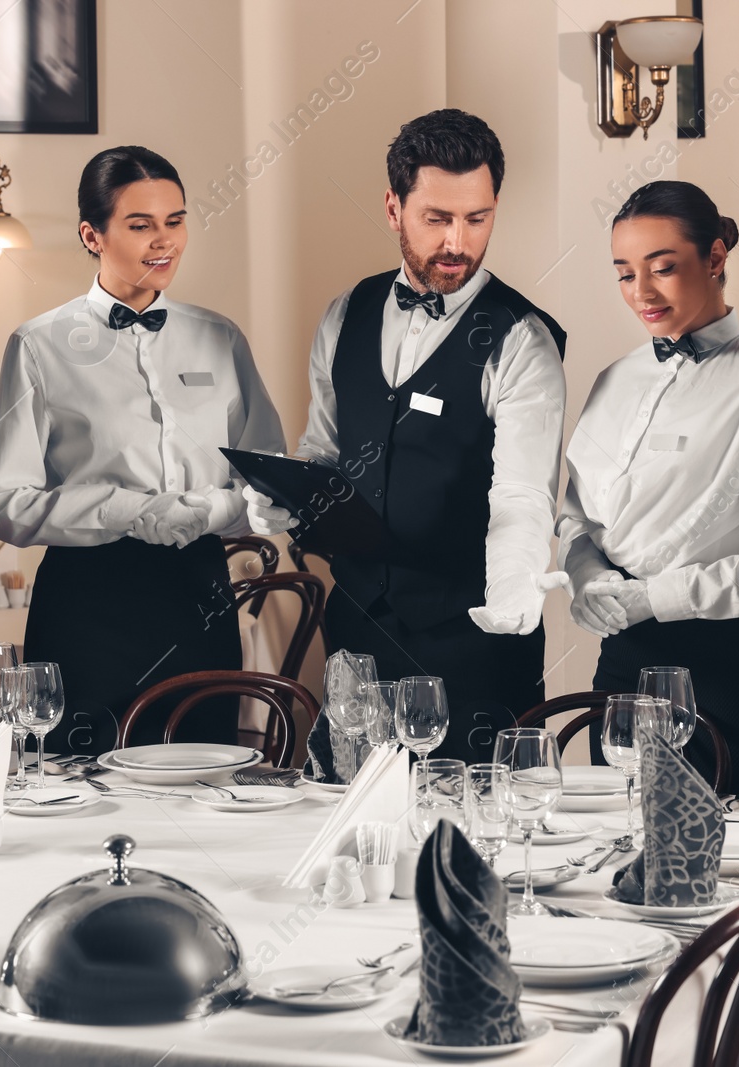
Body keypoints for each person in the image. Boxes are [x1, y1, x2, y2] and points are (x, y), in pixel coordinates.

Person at [247, 109, 567, 760]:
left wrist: (515, 586)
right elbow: (325, 452)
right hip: (359, 628)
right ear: (393, 208)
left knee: (473, 837)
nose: (458, 241)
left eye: (477, 219)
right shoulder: (345, 315)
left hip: (473, 640)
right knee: (357, 830)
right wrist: (284, 497)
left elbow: (523, 494)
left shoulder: (521, 338)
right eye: (437, 218)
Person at [0, 146, 285, 753]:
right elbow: (9, 506)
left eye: (175, 222)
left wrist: (207, 512)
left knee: (205, 784)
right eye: (140, 225)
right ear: (91, 235)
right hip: (87, 606)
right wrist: (127, 511)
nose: (163, 242)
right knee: (79, 792)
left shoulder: (220, 339)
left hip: (199, 599)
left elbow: (270, 482)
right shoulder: (39, 346)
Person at [556, 180, 739, 790]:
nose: (641, 293)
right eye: (625, 274)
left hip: (727, 664)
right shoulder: (612, 380)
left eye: (662, 269)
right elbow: (577, 513)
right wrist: (587, 576)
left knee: (723, 864)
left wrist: (658, 598)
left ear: (714, 258)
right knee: (626, 843)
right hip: (624, 653)